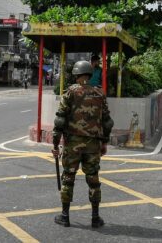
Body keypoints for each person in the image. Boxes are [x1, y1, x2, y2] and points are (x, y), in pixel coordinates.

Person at [52, 60, 113, 228]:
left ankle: (65, 216)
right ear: (89, 74)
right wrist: (104, 142)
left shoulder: (70, 93)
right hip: (93, 145)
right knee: (93, 179)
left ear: (77, 75)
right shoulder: (99, 94)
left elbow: (59, 121)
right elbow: (107, 123)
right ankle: (95, 217)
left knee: (68, 178)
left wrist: (56, 145)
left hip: (72, 144)